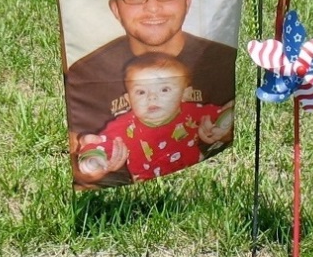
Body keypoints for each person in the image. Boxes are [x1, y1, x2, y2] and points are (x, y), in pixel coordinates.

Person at [64, 0, 238, 186]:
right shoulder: (85, 74)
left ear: (186, 2)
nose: (153, 8)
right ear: (116, 9)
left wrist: (227, 130)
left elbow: (245, 130)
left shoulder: (224, 60)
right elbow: (72, 152)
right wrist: (86, 171)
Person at [76, 53, 234, 183]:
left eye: (164, 89)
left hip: (193, 174)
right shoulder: (124, 125)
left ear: (184, 94)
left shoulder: (192, 112)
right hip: (146, 182)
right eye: (141, 92)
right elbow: (104, 143)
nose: (152, 97)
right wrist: (94, 156)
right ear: (129, 100)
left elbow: (219, 114)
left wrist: (224, 121)